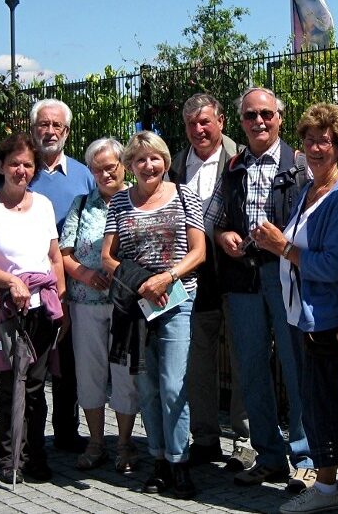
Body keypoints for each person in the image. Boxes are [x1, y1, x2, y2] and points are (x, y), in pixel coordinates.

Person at [250, 104, 338, 514]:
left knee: (318, 404)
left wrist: (281, 247)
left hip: (324, 316)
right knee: (328, 401)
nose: (316, 147)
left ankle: (324, 488)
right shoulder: (310, 188)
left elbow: (331, 265)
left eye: (326, 141)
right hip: (303, 313)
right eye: (309, 139)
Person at [205, 87, 316, 494]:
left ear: (280, 118)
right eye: (251, 115)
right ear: (242, 122)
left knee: (297, 368)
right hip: (242, 281)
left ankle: (305, 458)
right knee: (251, 369)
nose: (258, 122)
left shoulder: (302, 165)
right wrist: (223, 237)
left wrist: (283, 244)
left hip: (287, 278)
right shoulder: (232, 167)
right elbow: (212, 218)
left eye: (266, 114)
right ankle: (269, 456)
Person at [101, 131, 205, 500]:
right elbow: (107, 257)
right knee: (146, 387)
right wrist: (139, 282)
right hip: (137, 306)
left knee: (173, 384)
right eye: (140, 159)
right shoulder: (119, 203)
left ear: (165, 161)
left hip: (177, 300)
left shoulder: (184, 195)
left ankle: (180, 462)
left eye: (155, 158)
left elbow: (198, 252)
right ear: (130, 165)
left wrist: (166, 277)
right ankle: (158, 461)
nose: (148, 165)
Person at [0, 132, 68, 484]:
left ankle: (35, 456)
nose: (21, 170)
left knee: (36, 386)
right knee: (10, 383)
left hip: (43, 308)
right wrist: (11, 281)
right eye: (14, 164)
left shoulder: (42, 204)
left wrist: (62, 302)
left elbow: (55, 257)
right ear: (1, 166)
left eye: (28, 164)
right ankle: (9, 456)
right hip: (6, 310)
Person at [166, 94, 256, 472]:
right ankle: (204, 437)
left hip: (236, 271)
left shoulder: (242, 159)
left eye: (204, 121)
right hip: (192, 276)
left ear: (221, 120)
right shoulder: (174, 166)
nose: (198, 130)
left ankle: (245, 440)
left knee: (243, 356)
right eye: (190, 124)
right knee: (197, 358)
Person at [59, 137, 139, 474]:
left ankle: (124, 443)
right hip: (86, 302)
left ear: (123, 165)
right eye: (98, 169)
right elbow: (63, 253)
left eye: (111, 167)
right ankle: (95, 442)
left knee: (125, 376)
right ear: (91, 171)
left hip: (125, 304)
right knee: (89, 374)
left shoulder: (138, 198)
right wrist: (87, 274)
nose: (106, 174)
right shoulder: (82, 204)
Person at [29, 98, 93, 453]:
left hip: (72, 283)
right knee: (34, 363)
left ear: (67, 132)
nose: (50, 131)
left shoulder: (84, 175)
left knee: (67, 363)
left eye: (57, 125)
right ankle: (29, 434)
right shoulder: (23, 170)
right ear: (34, 128)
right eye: (43, 124)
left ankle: (67, 431)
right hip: (30, 283)